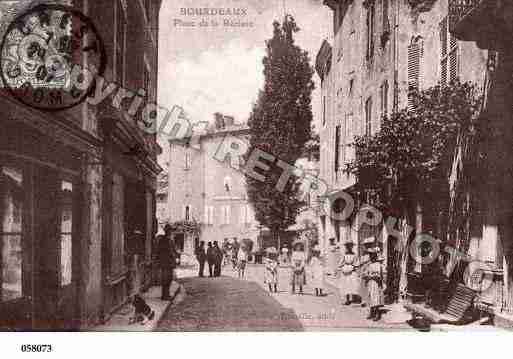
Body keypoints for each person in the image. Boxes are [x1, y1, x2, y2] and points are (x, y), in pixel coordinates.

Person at [362, 248, 385, 321]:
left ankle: (377, 314)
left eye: (372, 255)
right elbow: (365, 273)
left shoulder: (378, 264)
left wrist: (371, 276)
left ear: (375, 256)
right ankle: (371, 312)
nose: (371, 256)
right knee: (370, 297)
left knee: (376, 297)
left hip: (376, 283)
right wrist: (365, 275)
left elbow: (379, 275)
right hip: (370, 282)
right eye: (370, 255)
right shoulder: (369, 264)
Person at [158, 225, 177, 300]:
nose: (170, 232)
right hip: (167, 262)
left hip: (167, 262)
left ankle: (166, 294)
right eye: (170, 231)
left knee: (168, 279)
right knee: (166, 279)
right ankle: (165, 295)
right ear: (167, 231)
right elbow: (170, 252)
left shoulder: (167, 240)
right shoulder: (165, 240)